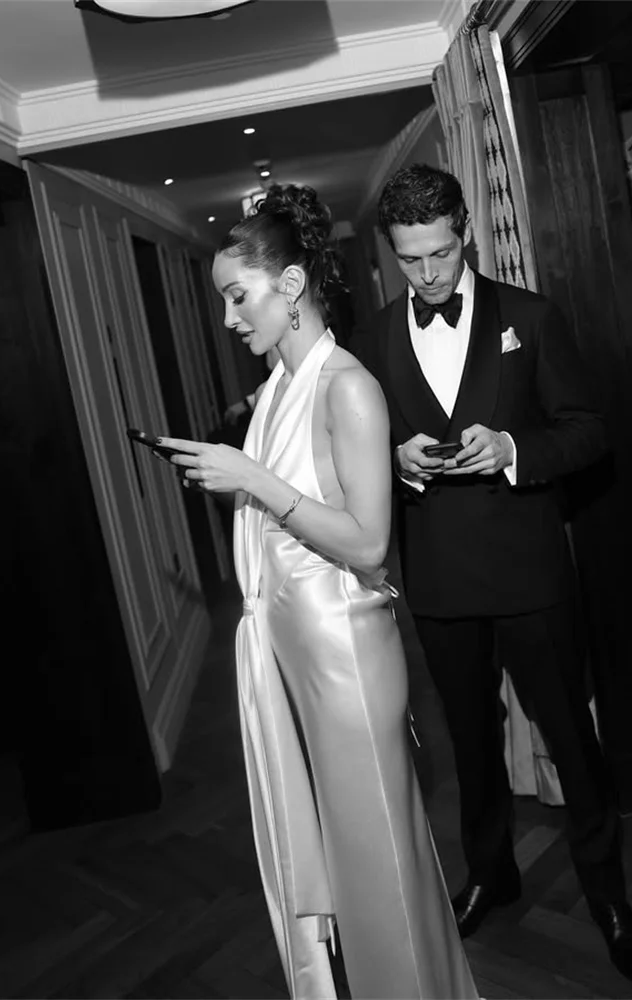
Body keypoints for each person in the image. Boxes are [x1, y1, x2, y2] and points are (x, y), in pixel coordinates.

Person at [157, 184, 479, 1000]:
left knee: (381, 871)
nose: (229, 318)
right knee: (345, 860)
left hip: (347, 661)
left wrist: (252, 479)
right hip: (297, 657)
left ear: (291, 285)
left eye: (239, 296)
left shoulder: (348, 388)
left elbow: (369, 544)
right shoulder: (273, 394)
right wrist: (240, 478)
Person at [350, 163, 632, 986]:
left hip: (530, 572)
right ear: (391, 252)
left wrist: (515, 449)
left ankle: (609, 897)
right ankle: (492, 873)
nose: (428, 273)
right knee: (471, 743)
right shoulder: (370, 342)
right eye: (410, 258)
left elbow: (589, 431)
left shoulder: (530, 317)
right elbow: (347, 460)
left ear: (467, 235)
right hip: (440, 578)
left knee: (571, 739)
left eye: (441, 253)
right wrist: (395, 460)